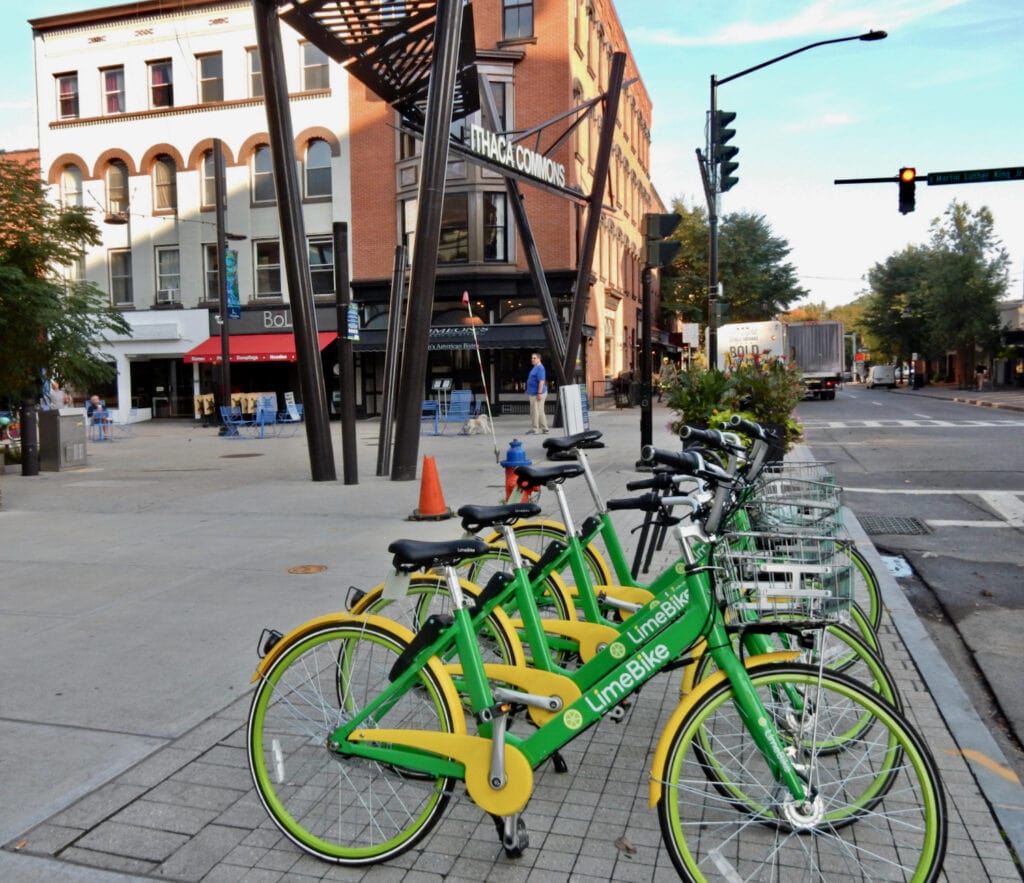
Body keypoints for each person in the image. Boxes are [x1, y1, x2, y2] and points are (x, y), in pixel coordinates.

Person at [525, 352, 549, 434]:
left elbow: (541, 381)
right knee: (540, 411)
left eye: (534, 358)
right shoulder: (535, 367)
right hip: (533, 393)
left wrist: (539, 393)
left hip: (537, 393)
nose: (532, 359)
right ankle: (545, 428)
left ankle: (535, 429)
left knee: (535, 412)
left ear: (539, 359)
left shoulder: (540, 368)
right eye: (532, 358)